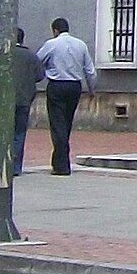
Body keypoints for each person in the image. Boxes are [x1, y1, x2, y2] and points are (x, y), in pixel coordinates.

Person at [36, 17, 97, 176]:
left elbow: (37, 62)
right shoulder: (80, 45)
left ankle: (62, 164)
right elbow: (90, 70)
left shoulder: (51, 44)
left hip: (57, 85)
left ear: (55, 30)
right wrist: (92, 90)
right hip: (74, 86)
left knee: (57, 124)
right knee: (67, 122)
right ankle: (59, 160)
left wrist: (41, 74)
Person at [9, 27, 41, 177]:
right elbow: (40, 75)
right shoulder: (31, 56)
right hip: (24, 99)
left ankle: (3, 162)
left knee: (4, 131)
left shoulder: (4, 54)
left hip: (6, 100)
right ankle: (16, 166)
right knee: (20, 132)